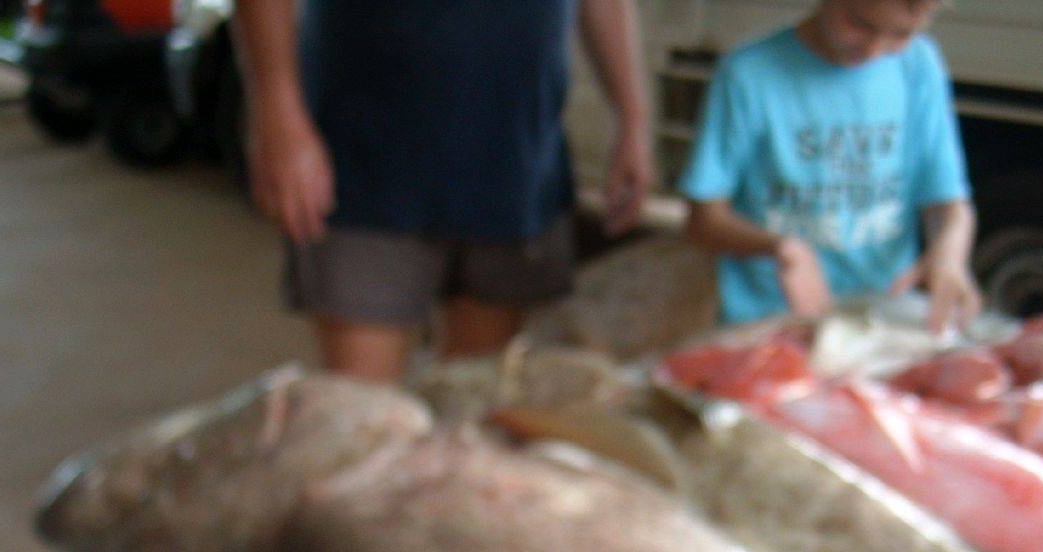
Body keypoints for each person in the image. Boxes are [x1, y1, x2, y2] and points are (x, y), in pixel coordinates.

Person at [235, 0, 652, 380]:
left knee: (479, 405)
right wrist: (276, 107)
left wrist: (633, 115)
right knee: (363, 412)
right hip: (366, 157)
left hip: (512, 164)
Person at [679, 0, 980, 333]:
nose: (873, 48)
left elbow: (949, 203)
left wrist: (950, 255)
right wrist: (783, 248)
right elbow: (702, 220)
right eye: (860, 24)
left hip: (880, 317)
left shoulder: (918, 65)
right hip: (771, 320)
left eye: (901, 33)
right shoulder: (748, 74)